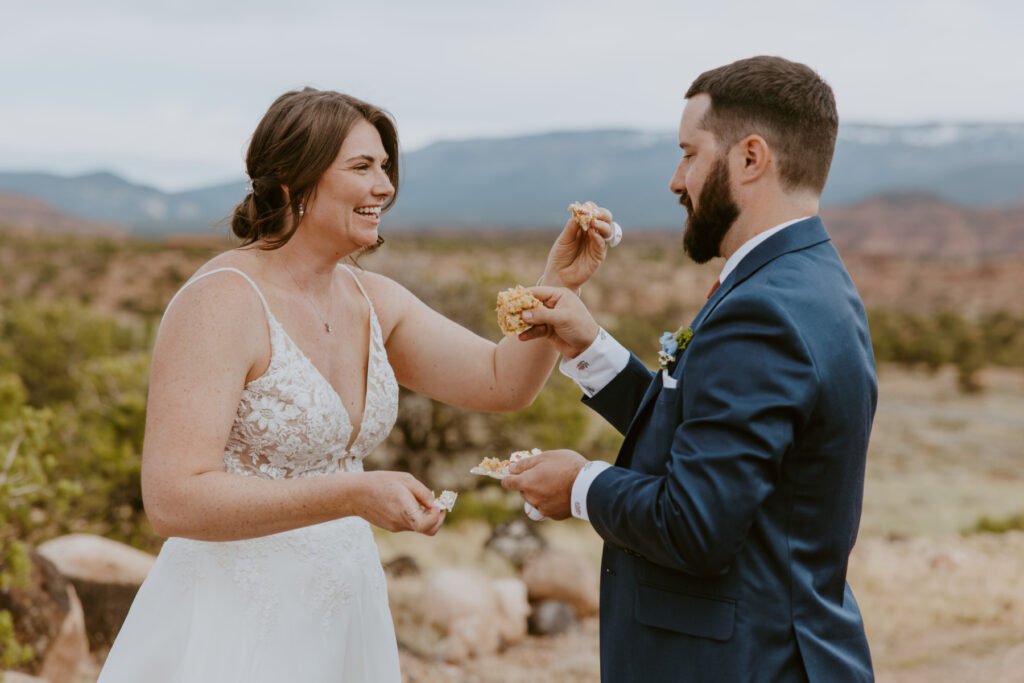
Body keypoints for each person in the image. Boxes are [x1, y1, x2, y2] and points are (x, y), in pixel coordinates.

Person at [97, 87, 617, 682]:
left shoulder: (374, 300)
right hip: (231, 621)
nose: (386, 187)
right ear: (295, 182)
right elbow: (172, 499)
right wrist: (351, 494)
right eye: (363, 167)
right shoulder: (220, 302)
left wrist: (559, 284)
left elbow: (502, 382)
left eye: (386, 168)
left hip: (344, 609)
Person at [503, 56, 876, 681]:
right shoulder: (806, 279)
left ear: (750, 158)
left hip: (742, 662)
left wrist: (578, 486)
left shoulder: (764, 309)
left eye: (690, 154)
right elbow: (719, 435)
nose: (677, 181)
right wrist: (589, 347)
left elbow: (694, 525)